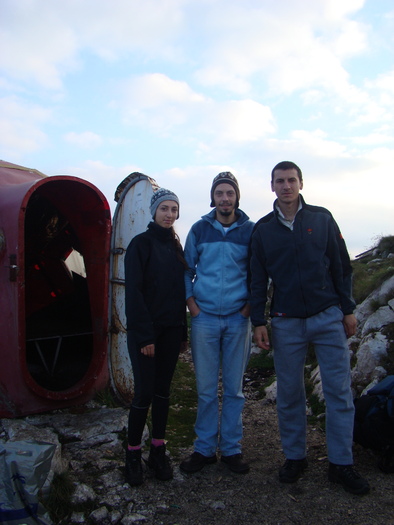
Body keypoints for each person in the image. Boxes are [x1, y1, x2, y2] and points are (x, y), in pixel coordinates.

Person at [250, 161, 370, 495]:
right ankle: (295, 457)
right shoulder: (263, 230)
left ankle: (341, 464)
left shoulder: (322, 218)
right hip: (286, 321)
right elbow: (257, 279)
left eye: (291, 180)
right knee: (289, 393)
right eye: (280, 181)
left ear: (301, 183)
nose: (286, 186)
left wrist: (347, 309)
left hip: (327, 315)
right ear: (272, 186)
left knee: (338, 392)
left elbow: (342, 266)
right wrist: (258, 320)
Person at [180, 172, 254, 475]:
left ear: (237, 197)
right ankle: (205, 448)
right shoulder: (199, 229)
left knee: (235, 389)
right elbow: (186, 270)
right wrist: (192, 307)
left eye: (230, 193)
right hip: (205, 318)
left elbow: (259, 272)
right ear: (213, 197)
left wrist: (249, 308)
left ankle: (232, 450)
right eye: (220, 193)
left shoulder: (251, 230)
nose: (225, 198)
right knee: (207, 389)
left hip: (239, 318)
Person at [124, 188, 187, 486]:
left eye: (174, 209)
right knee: (144, 393)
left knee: (163, 392)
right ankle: (132, 455)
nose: (169, 214)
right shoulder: (141, 245)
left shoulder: (176, 247)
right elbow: (134, 294)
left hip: (172, 331)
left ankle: (157, 451)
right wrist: (145, 336)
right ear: (154, 212)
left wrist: (182, 332)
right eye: (164, 208)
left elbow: (179, 294)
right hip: (147, 334)